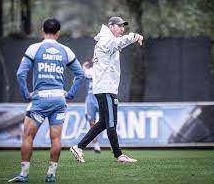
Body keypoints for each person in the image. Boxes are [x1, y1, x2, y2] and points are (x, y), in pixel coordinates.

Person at [8, 18, 85, 183]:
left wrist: (25, 94)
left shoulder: (34, 48)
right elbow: (80, 74)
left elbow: (20, 74)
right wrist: (70, 94)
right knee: (56, 139)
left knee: (28, 137)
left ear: (42, 31)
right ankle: (51, 175)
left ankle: (24, 174)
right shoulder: (66, 50)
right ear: (58, 33)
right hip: (58, 100)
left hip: (40, 99)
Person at [70, 16, 143, 163]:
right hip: (106, 88)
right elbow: (119, 42)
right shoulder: (107, 39)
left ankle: (79, 147)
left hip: (104, 87)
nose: (122, 29)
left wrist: (131, 37)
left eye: (124, 26)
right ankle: (119, 155)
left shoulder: (107, 39)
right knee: (111, 123)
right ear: (111, 26)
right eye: (119, 26)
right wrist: (134, 36)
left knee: (104, 122)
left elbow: (118, 44)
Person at [82, 60, 101, 153]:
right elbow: (84, 74)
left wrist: (84, 68)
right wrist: (84, 68)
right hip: (91, 99)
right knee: (91, 123)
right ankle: (96, 145)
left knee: (108, 121)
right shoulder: (90, 71)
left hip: (101, 98)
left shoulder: (104, 69)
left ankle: (114, 146)